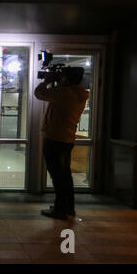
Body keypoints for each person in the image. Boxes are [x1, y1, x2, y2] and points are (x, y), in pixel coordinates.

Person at [34, 68, 89, 220]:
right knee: (65, 176)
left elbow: (39, 93)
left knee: (57, 176)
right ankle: (68, 207)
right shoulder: (78, 93)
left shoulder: (66, 94)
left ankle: (60, 209)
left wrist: (46, 81)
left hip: (55, 139)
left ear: (65, 78)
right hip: (66, 139)